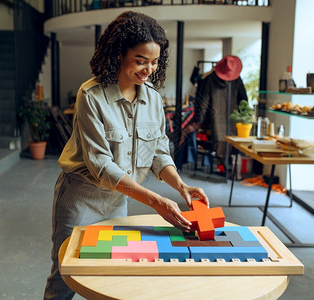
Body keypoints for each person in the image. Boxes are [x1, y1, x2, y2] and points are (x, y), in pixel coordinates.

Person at [44, 11, 209, 300]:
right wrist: (156, 201)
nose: (149, 70)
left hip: (120, 198)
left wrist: (181, 186)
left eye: (155, 62)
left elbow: (159, 151)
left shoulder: (153, 99)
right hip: (80, 198)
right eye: (141, 61)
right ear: (119, 54)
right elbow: (102, 166)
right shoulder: (91, 96)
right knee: (65, 274)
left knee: (113, 272)